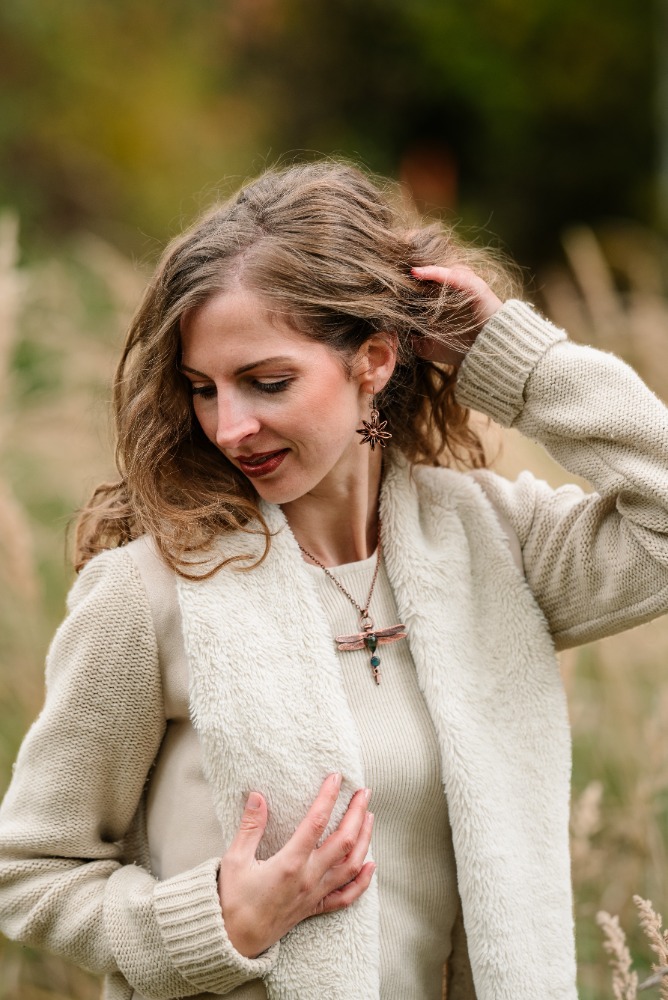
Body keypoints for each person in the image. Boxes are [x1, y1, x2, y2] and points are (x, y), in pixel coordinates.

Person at [0, 160, 667, 1000]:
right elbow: (30, 871)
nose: (229, 427)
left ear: (374, 361)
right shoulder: (152, 592)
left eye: (267, 383)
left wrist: (517, 365)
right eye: (202, 390)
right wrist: (217, 924)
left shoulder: (495, 543)